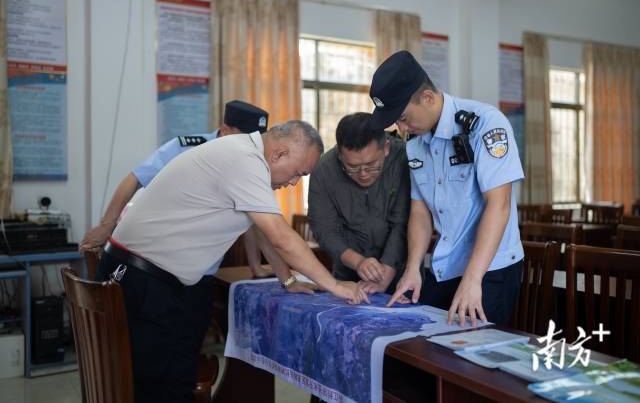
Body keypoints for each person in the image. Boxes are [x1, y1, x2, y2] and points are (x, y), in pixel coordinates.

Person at [95, 120, 368, 403]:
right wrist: (336, 286)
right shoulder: (245, 161)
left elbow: (264, 231)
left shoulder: (244, 154)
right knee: (162, 389)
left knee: (173, 380)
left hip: (141, 275)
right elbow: (280, 237)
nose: (293, 183)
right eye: (298, 173)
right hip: (142, 281)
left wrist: (287, 280)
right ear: (279, 154)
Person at [370, 50, 524, 328]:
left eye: (403, 118)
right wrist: (413, 268)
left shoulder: (485, 124)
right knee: (424, 339)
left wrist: (473, 279)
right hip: (447, 265)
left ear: (428, 98)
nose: (401, 128)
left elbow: (498, 205)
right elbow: (419, 210)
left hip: (490, 269)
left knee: (472, 350)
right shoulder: (415, 142)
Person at [80, 100, 272, 278]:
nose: (251, 147)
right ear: (224, 131)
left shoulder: (249, 164)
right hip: (157, 264)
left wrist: (255, 266)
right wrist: (106, 226)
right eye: (246, 139)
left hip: (202, 272)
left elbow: (251, 214)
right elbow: (135, 178)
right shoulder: (186, 148)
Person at [308, 112, 410, 295]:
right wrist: (358, 262)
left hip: (402, 275)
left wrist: (386, 271)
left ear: (386, 148)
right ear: (340, 155)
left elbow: (402, 223)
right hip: (348, 275)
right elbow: (324, 229)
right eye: (352, 167)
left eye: (371, 165)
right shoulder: (323, 170)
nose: (363, 174)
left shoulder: (404, 159)